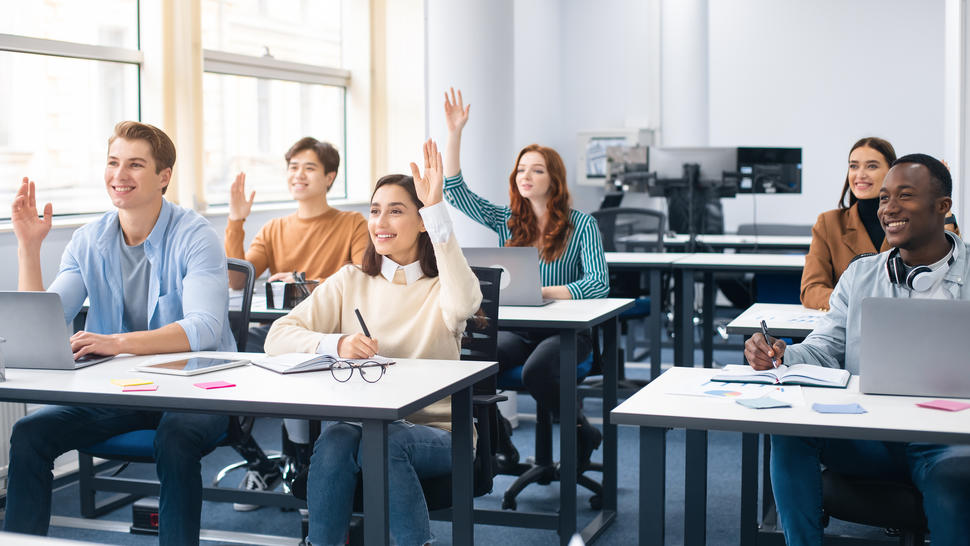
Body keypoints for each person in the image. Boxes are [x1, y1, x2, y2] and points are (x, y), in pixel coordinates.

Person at [5, 121, 236, 546]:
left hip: (199, 389)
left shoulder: (196, 235)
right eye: (113, 163)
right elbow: (45, 323)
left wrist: (116, 343)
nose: (119, 175)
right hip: (121, 390)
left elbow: (204, 329)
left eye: (134, 165)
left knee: (176, 438)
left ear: (163, 177)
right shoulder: (88, 239)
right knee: (29, 435)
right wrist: (28, 248)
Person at [264, 140, 482, 546]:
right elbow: (278, 337)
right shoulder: (351, 280)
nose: (380, 221)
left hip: (437, 432)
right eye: (375, 210)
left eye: (396, 211)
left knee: (385, 441)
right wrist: (337, 343)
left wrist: (437, 212)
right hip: (365, 424)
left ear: (422, 223)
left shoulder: (443, 286)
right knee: (335, 437)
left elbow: (468, 300)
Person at [745, 154, 970, 546]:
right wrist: (783, 354)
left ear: (942, 207)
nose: (889, 208)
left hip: (948, 440)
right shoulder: (862, 273)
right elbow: (826, 346)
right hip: (870, 431)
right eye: (884, 199)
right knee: (789, 433)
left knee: (954, 476)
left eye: (905, 196)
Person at [440, 88, 610, 469]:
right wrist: (455, 132)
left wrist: (540, 291)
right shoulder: (506, 220)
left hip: (567, 333)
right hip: (521, 329)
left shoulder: (582, 225)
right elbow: (454, 191)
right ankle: (499, 439)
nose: (526, 175)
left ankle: (582, 430)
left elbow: (598, 283)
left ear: (555, 178)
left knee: (537, 372)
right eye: (520, 169)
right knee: (471, 360)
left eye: (537, 169)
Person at [224, 137, 368, 509]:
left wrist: (302, 282)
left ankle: (305, 466)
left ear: (329, 176)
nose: (298, 175)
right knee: (226, 356)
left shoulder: (352, 223)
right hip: (280, 332)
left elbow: (361, 276)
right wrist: (236, 219)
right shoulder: (274, 228)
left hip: (329, 333)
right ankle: (266, 464)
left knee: (293, 370)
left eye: (308, 167)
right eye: (292, 167)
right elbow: (237, 278)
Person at [800, 137, 959, 310]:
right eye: (853, 166)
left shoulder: (914, 221)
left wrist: (937, 200)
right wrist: (859, 304)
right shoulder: (829, 223)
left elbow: (951, 274)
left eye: (872, 166)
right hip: (849, 323)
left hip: (908, 322)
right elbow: (811, 290)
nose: (860, 174)